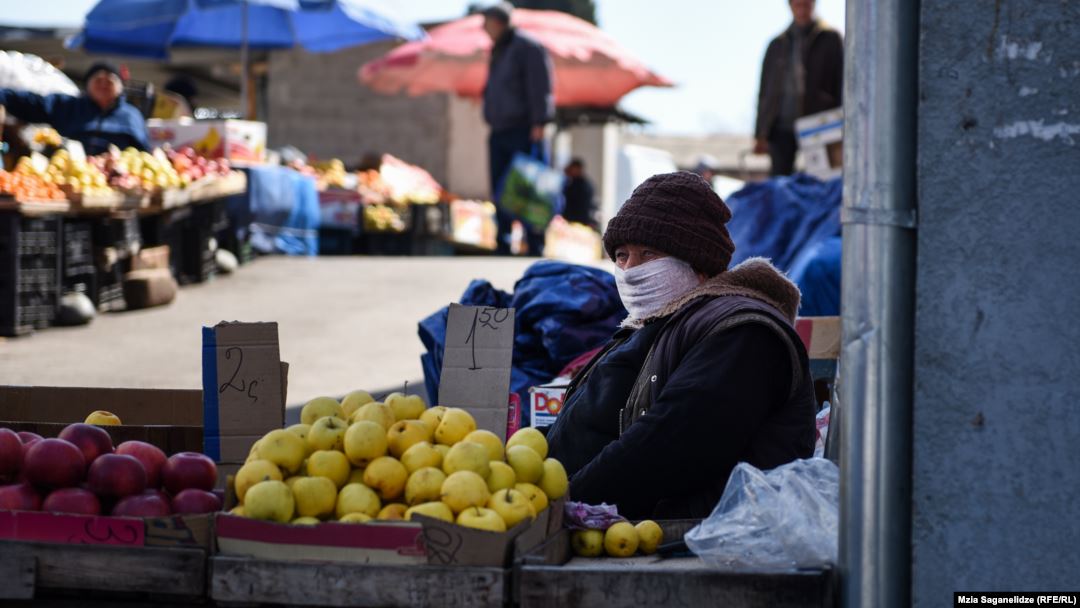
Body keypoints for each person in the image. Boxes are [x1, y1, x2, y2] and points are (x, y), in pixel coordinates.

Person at [545, 171, 817, 519]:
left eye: (649, 253)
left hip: (697, 547)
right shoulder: (653, 324)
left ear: (700, 267)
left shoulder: (743, 332)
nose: (630, 270)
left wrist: (564, 506)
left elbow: (669, 442)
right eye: (622, 255)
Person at [481, 1, 555, 255]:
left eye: (487, 23)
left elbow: (539, 87)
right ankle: (503, 241)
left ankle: (534, 242)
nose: (484, 29)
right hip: (499, 129)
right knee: (501, 188)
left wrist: (540, 122)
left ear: (499, 23)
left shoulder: (527, 46)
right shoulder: (498, 50)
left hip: (523, 128)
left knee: (528, 188)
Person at [754, 0, 843, 176]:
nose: (802, 10)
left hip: (821, 122)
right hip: (781, 125)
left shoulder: (831, 38)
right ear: (790, 6)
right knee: (780, 181)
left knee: (824, 178)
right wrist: (760, 132)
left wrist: (842, 122)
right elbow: (765, 91)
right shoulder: (777, 44)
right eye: (798, 5)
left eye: (806, 4)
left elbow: (842, 82)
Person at [0, 61, 149, 155]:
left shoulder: (131, 115)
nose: (103, 85)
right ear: (87, 85)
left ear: (120, 87)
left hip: (117, 180)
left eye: (109, 81)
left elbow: (143, 152)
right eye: (98, 80)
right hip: (67, 175)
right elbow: (31, 103)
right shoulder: (67, 105)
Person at [560, 157, 598, 230]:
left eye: (572, 168)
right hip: (576, 223)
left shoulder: (581, 185)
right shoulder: (576, 183)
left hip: (577, 224)